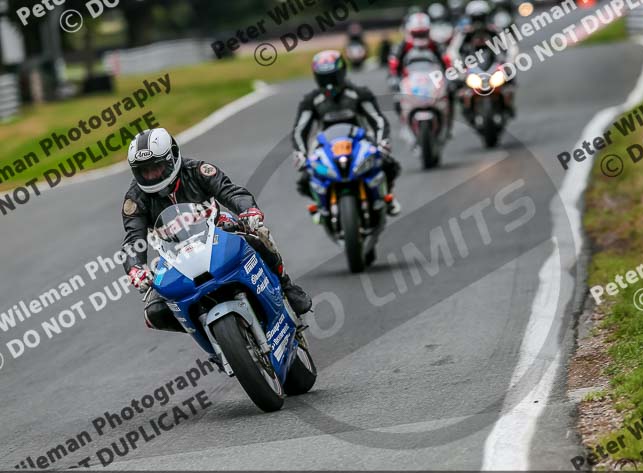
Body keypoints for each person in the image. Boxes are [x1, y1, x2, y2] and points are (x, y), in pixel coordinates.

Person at [120, 128, 312, 334]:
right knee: (154, 312)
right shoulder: (136, 199)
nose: (151, 175)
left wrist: (248, 210)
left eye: (156, 167)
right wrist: (135, 268)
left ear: (172, 157)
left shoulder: (197, 170)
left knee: (257, 236)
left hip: (218, 230)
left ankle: (286, 286)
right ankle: (206, 331)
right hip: (174, 253)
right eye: (144, 171)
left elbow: (230, 191)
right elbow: (133, 240)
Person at [291, 50, 402, 216]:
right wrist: (300, 152)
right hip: (325, 145)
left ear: (342, 73)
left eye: (332, 77)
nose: (329, 83)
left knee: (389, 163)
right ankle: (320, 206)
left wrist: (382, 141)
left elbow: (377, 119)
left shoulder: (359, 93)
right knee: (305, 178)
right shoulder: (311, 100)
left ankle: (387, 196)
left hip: (360, 141)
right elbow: (300, 130)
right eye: (324, 78)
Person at [388, 12, 455, 135]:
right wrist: (394, 79)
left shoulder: (436, 45)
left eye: (423, 33)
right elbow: (393, 64)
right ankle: (404, 122)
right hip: (410, 80)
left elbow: (446, 62)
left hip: (433, 79)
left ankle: (448, 124)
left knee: (451, 93)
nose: (420, 37)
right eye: (417, 33)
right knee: (397, 98)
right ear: (410, 31)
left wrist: (450, 77)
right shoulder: (401, 47)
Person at [448, 0, 517, 116]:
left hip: (494, 67)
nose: (478, 22)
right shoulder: (463, 33)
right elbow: (452, 51)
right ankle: (465, 110)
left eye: (481, 18)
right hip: (471, 69)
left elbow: (511, 47)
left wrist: (509, 62)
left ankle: (508, 105)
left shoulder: (495, 30)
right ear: (470, 18)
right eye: (475, 18)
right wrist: (458, 66)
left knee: (510, 81)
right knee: (455, 86)